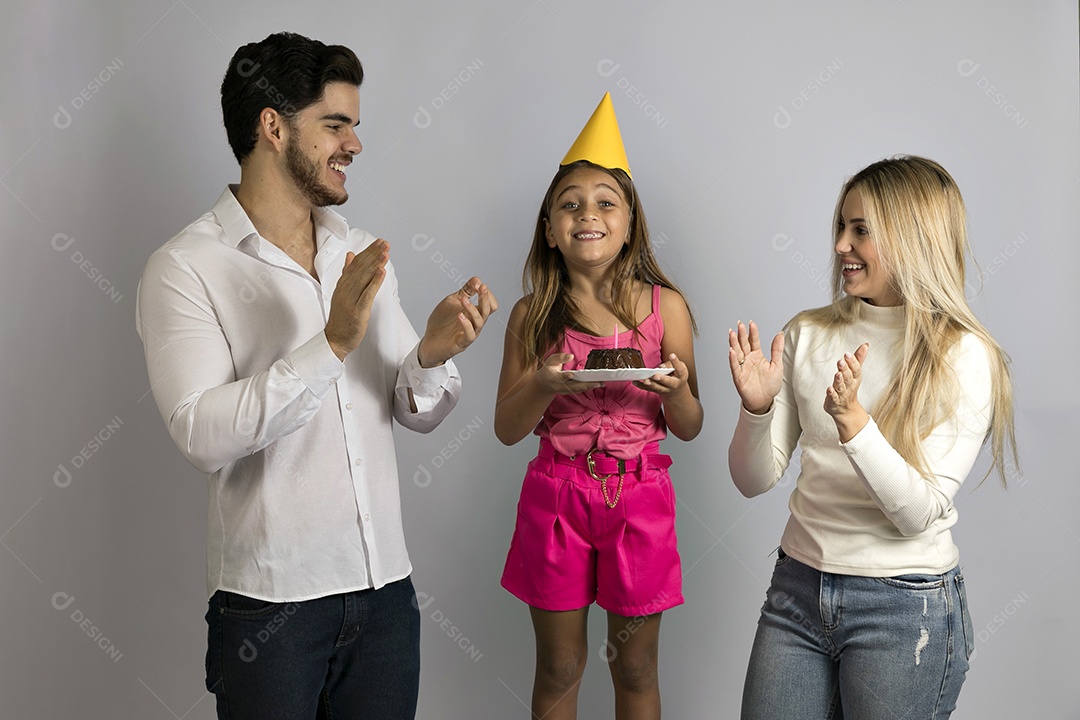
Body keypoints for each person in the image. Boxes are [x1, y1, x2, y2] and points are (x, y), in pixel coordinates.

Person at [135, 32, 497, 720]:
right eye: (335, 125)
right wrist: (329, 344)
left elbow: (412, 409)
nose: (354, 144)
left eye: (355, 127)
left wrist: (431, 355)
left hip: (387, 598)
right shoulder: (184, 268)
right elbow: (200, 433)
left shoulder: (358, 251)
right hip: (270, 611)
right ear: (273, 127)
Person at [727, 155, 1017, 719]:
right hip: (798, 591)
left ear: (912, 239)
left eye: (860, 230)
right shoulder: (808, 332)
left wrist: (855, 424)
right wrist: (757, 408)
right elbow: (750, 480)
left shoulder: (963, 355)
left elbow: (917, 513)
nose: (840, 245)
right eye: (841, 226)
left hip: (904, 607)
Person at [495, 93, 703, 720]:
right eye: (570, 204)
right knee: (560, 667)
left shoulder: (666, 307)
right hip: (555, 500)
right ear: (550, 229)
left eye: (606, 202)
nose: (588, 213)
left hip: (638, 500)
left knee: (635, 666)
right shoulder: (531, 315)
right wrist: (543, 386)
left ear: (631, 223)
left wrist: (680, 392)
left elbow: (690, 428)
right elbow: (507, 428)